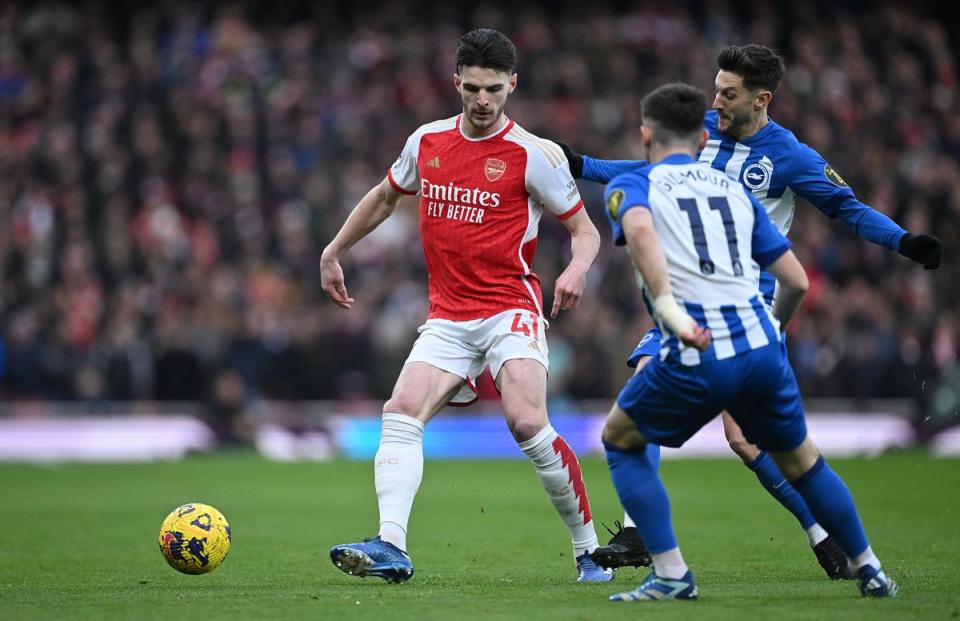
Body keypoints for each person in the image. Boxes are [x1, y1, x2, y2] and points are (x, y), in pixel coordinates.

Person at [561, 44, 943, 580]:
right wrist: (580, 164)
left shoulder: (790, 157)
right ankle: (640, 532)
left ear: (761, 100)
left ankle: (823, 533)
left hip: (753, 308)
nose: (715, 100)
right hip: (694, 299)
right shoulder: (703, 136)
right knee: (644, 390)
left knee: (746, 440)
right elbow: (640, 168)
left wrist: (905, 243)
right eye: (716, 88)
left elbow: (847, 209)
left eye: (728, 93)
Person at [321, 28, 612, 583]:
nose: (483, 100)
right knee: (400, 411)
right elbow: (386, 197)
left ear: (512, 86)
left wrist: (576, 269)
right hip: (449, 316)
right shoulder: (427, 141)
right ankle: (391, 545)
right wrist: (334, 251)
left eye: (495, 89)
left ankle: (587, 549)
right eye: (473, 88)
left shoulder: (535, 154)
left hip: (509, 308)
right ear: (456, 80)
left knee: (527, 421)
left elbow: (585, 231)